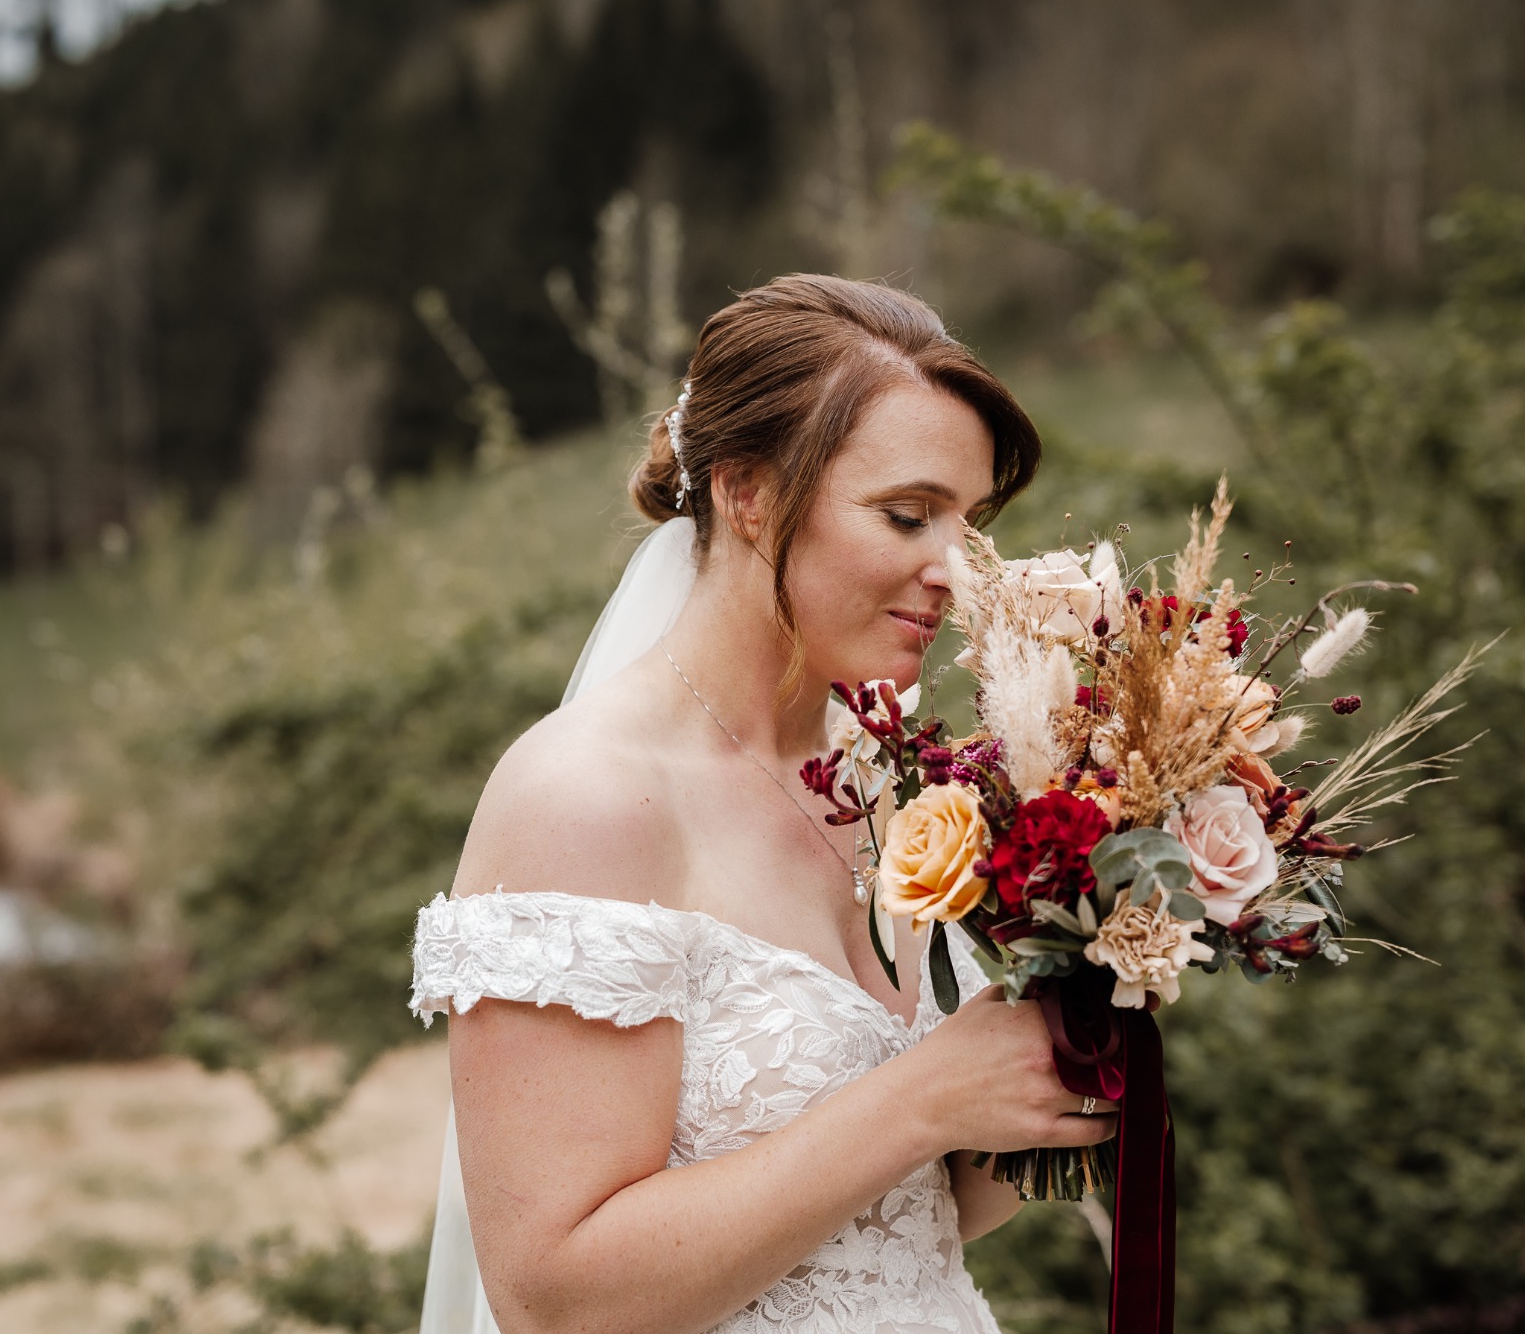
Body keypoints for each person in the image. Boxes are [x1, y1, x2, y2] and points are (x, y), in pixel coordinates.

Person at [409, 274, 1118, 1334]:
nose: (958, 573)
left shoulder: (907, 785)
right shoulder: (588, 798)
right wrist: (922, 1093)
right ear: (747, 494)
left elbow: (924, 1211)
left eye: (970, 526)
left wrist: (1095, 995)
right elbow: (553, 1299)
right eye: (908, 516)